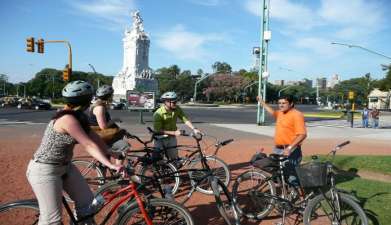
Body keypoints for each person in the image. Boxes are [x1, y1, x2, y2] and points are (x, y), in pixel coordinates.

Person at [26, 81, 123, 225]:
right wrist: (110, 164)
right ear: (86, 101)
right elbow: (88, 144)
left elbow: (94, 137)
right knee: (52, 220)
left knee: (87, 206)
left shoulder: (78, 116)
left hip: (65, 167)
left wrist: (111, 152)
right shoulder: (67, 119)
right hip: (45, 170)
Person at [257, 95, 307, 186]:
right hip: (278, 149)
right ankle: (284, 196)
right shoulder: (280, 113)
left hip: (291, 150)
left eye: (284, 103)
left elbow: (302, 134)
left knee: (291, 176)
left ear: (291, 104)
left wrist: (289, 148)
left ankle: (300, 196)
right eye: (279, 103)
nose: (281, 105)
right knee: (279, 174)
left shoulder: (297, 115)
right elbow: (272, 112)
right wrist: (262, 102)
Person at [153, 91, 201, 160]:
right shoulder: (158, 114)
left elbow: (184, 119)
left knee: (174, 159)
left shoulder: (176, 109)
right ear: (166, 102)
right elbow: (158, 130)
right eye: (174, 102)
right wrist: (174, 132)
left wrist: (194, 128)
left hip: (171, 138)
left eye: (176, 102)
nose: (176, 104)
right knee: (158, 159)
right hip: (160, 139)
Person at [88, 85, 129, 162]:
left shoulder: (99, 105)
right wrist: (115, 119)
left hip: (101, 135)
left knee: (106, 159)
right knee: (124, 146)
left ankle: (113, 169)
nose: (112, 96)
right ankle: (118, 170)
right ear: (108, 96)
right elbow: (103, 126)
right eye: (112, 95)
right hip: (101, 136)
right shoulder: (100, 108)